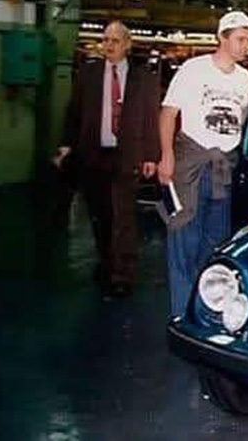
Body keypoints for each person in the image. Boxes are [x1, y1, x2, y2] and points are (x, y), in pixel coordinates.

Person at [157, 10, 248, 316]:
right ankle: (180, 313)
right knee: (184, 237)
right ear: (222, 38)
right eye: (241, 39)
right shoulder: (193, 69)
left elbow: (239, 119)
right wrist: (166, 155)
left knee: (215, 241)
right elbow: (167, 114)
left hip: (223, 167)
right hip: (191, 164)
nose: (246, 45)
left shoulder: (244, 78)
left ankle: (206, 309)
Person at [57, 21, 160, 297]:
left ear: (127, 44)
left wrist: (152, 155)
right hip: (93, 154)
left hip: (127, 155)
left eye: (115, 40)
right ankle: (106, 261)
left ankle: (122, 274)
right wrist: (66, 145)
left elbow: (151, 118)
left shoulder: (143, 77)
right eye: (105, 40)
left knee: (124, 216)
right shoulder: (88, 74)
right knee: (100, 215)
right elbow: (74, 112)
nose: (109, 45)